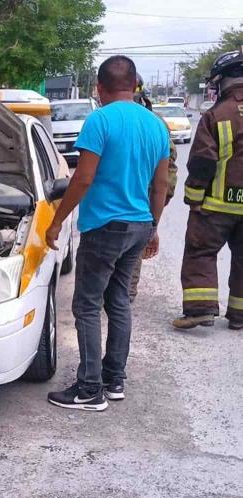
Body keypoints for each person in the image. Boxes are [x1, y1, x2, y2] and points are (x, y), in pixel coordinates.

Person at [45, 55, 170, 411]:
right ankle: (114, 380)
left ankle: (89, 389)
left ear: (99, 88)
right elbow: (160, 185)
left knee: (86, 305)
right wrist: (154, 228)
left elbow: (83, 178)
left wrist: (57, 221)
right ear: (134, 85)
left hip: (104, 227)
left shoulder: (99, 120)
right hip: (138, 226)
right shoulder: (156, 125)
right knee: (118, 302)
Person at [172, 48, 243, 331]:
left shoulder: (216, 115)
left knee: (200, 252)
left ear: (222, 80)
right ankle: (239, 315)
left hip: (215, 206)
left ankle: (200, 310)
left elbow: (202, 162)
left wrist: (194, 199)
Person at [130, 74, 178, 302]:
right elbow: (170, 169)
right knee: (133, 250)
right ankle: (124, 296)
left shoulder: (103, 118)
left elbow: (169, 168)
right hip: (143, 202)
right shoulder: (156, 122)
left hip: (137, 198)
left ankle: (122, 295)